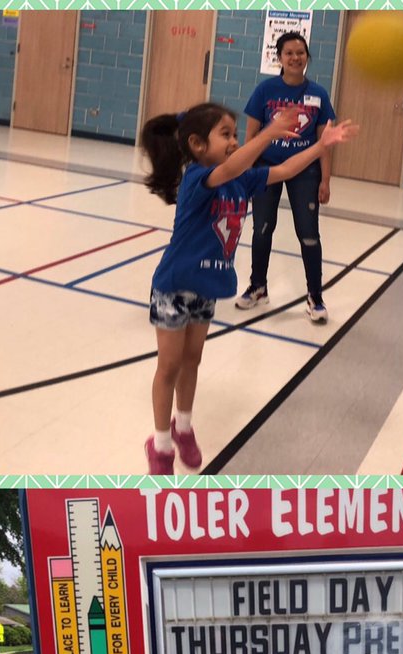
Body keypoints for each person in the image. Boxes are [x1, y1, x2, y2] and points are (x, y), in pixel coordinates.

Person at [140, 101, 357, 473]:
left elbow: (286, 168)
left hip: (206, 288)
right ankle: (160, 446)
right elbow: (229, 167)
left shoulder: (242, 179)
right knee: (170, 364)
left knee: (193, 360)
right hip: (174, 287)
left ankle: (184, 427)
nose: (234, 140)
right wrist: (269, 133)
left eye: (236, 134)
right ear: (196, 144)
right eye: (225, 134)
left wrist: (323, 146)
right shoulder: (197, 179)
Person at [236, 31, 338, 324]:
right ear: (279, 58)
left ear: (307, 57)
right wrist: (246, 172)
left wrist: (325, 180)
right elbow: (252, 137)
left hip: (305, 171)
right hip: (267, 167)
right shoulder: (265, 90)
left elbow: (325, 141)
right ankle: (258, 286)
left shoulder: (318, 94)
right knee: (262, 229)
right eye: (289, 53)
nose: (295, 58)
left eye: (301, 53)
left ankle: (315, 297)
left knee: (308, 234)